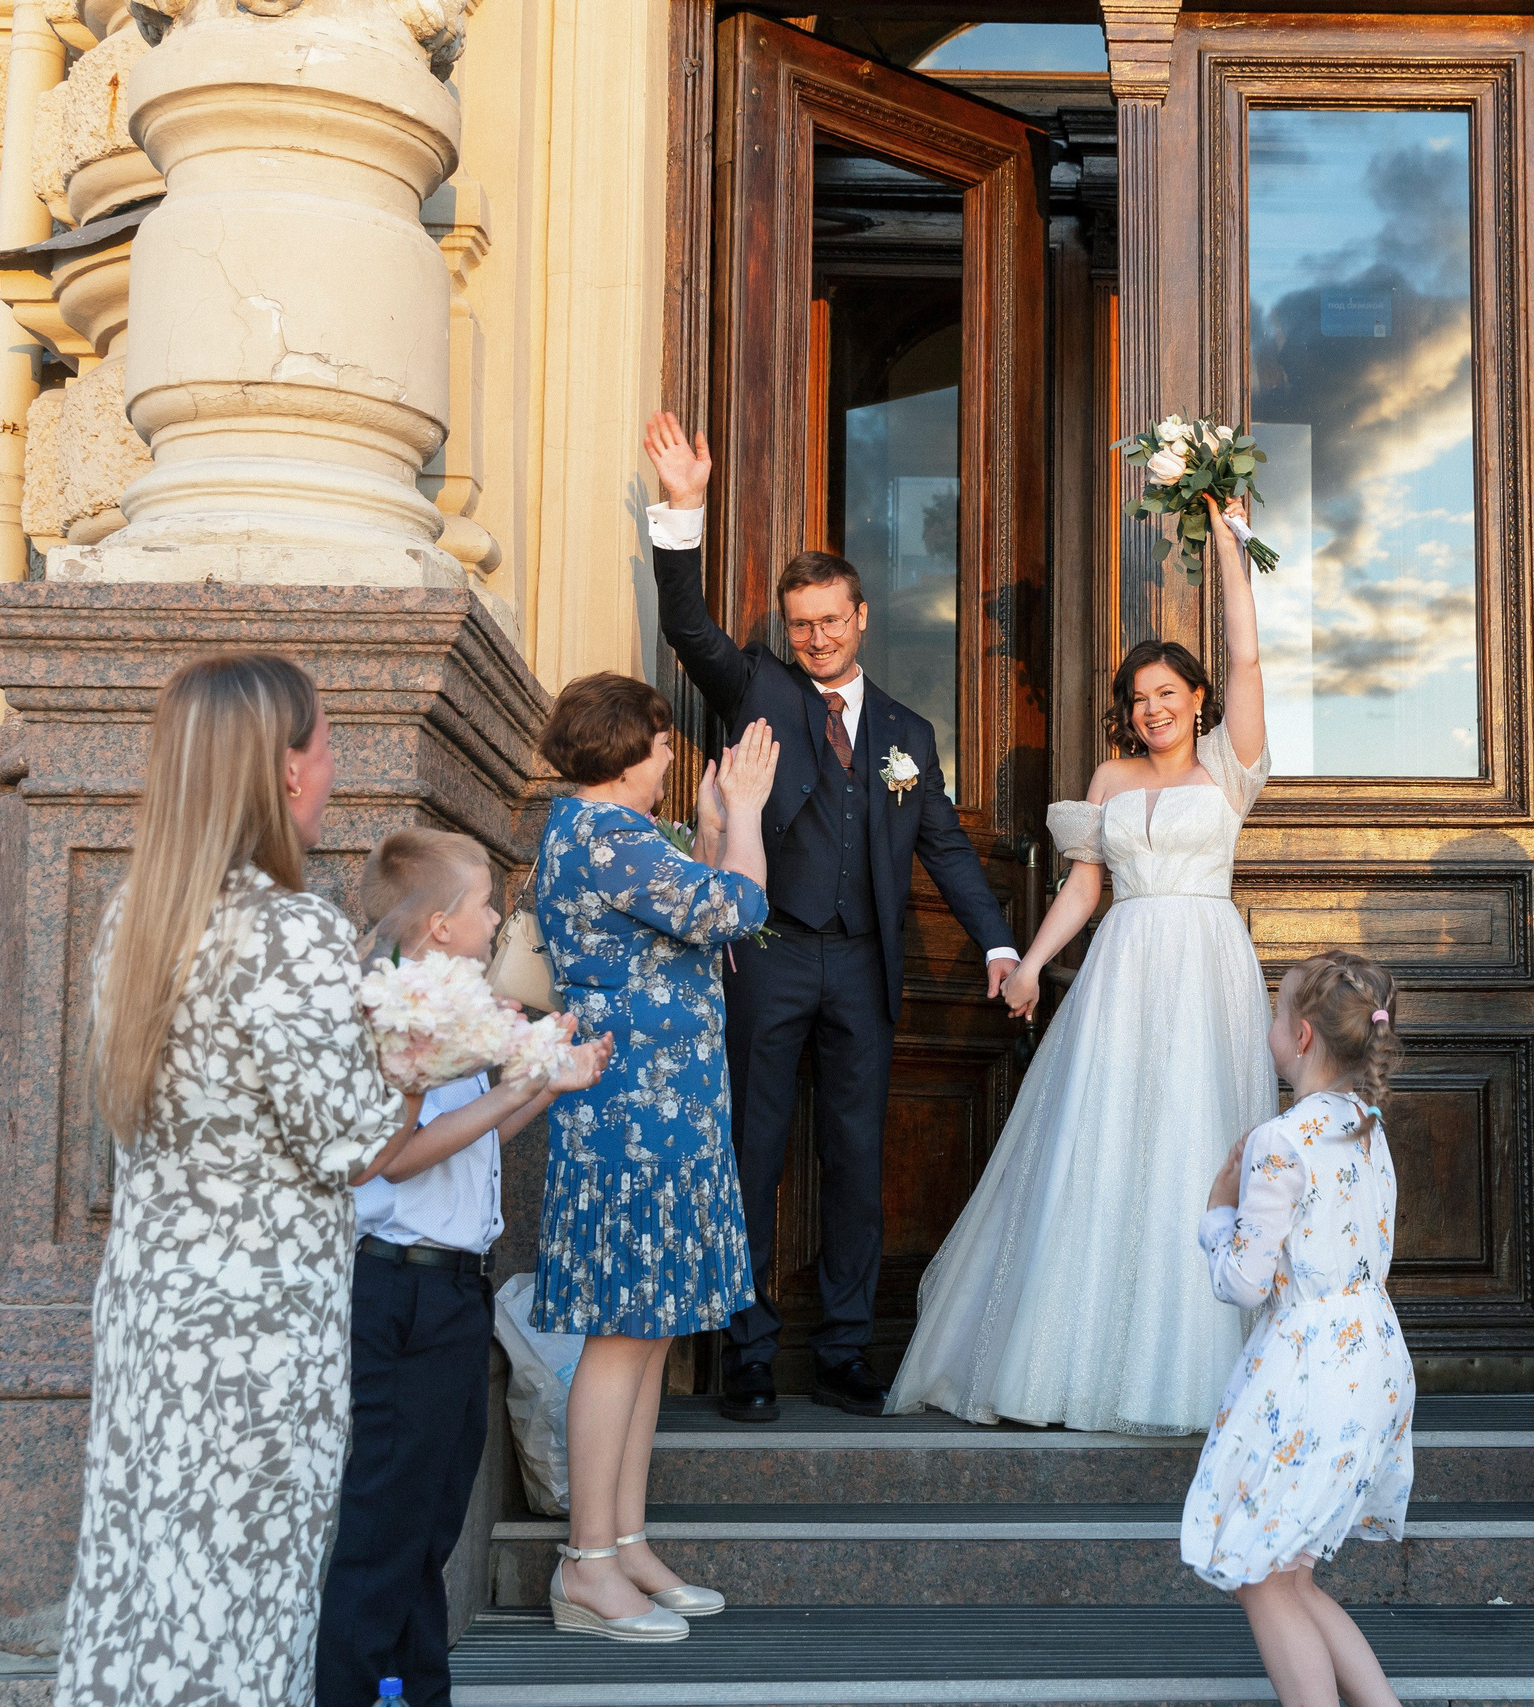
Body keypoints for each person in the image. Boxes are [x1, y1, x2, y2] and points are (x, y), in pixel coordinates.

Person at [640, 409, 1019, 1423]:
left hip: (862, 965)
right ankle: (747, 1354)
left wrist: (996, 939)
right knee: (752, 1155)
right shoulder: (756, 685)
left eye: (831, 620)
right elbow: (686, 627)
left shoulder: (907, 733)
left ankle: (846, 1351)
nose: (816, 637)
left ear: (861, 617)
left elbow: (943, 846)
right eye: (800, 622)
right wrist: (683, 511)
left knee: (855, 1162)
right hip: (766, 957)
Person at [58, 652, 422, 1707]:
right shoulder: (292, 931)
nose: (335, 770)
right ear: (286, 768)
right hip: (257, 1340)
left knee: (142, 1597)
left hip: (151, 1314)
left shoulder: (136, 916)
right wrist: (413, 1062)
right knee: (245, 1609)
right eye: (327, 746)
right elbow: (355, 1143)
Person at [885, 493, 1273, 1435]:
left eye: (1167, 693)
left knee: (1194, 1134)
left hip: (1205, 965)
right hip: (1123, 968)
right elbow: (1084, 888)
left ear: (1197, 699)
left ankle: (1189, 1366)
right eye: (1138, 699)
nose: (1152, 709)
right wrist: (1029, 966)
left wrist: (1230, 543)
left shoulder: (1229, 766)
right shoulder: (1109, 779)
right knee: (1102, 1143)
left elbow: (1249, 658)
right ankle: (1072, 1359)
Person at [317, 828, 609, 1707]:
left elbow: (469, 1137)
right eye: (486, 904)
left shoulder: (452, 1010)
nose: (497, 921)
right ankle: (354, 1690)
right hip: (401, 1288)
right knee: (386, 1526)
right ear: (440, 923)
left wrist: (545, 1083)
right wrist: (518, 1083)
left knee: (432, 1518)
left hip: (451, 1288)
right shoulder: (397, 1014)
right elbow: (400, 1157)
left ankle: (416, 1689)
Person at [531, 674, 778, 1641]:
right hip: (632, 1114)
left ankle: (623, 1541)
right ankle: (585, 1561)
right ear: (627, 748)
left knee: (650, 1328)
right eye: (665, 741)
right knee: (622, 1334)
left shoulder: (608, 834)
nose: (674, 756)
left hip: (661, 1109)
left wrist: (712, 829)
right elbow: (736, 910)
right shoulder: (608, 835)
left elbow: (688, 920)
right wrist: (746, 813)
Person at [1180, 951, 1413, 1707]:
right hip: (1373, 1358)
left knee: (1260, 1571)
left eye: (1277, 1013)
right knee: (1291, 1574)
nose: (1271, 1026)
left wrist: (1218, 1212)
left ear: (1303, 1035)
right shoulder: (1368, 1128)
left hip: (1312, 1368)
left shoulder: (1280, 1142)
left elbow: (1244, 1282)